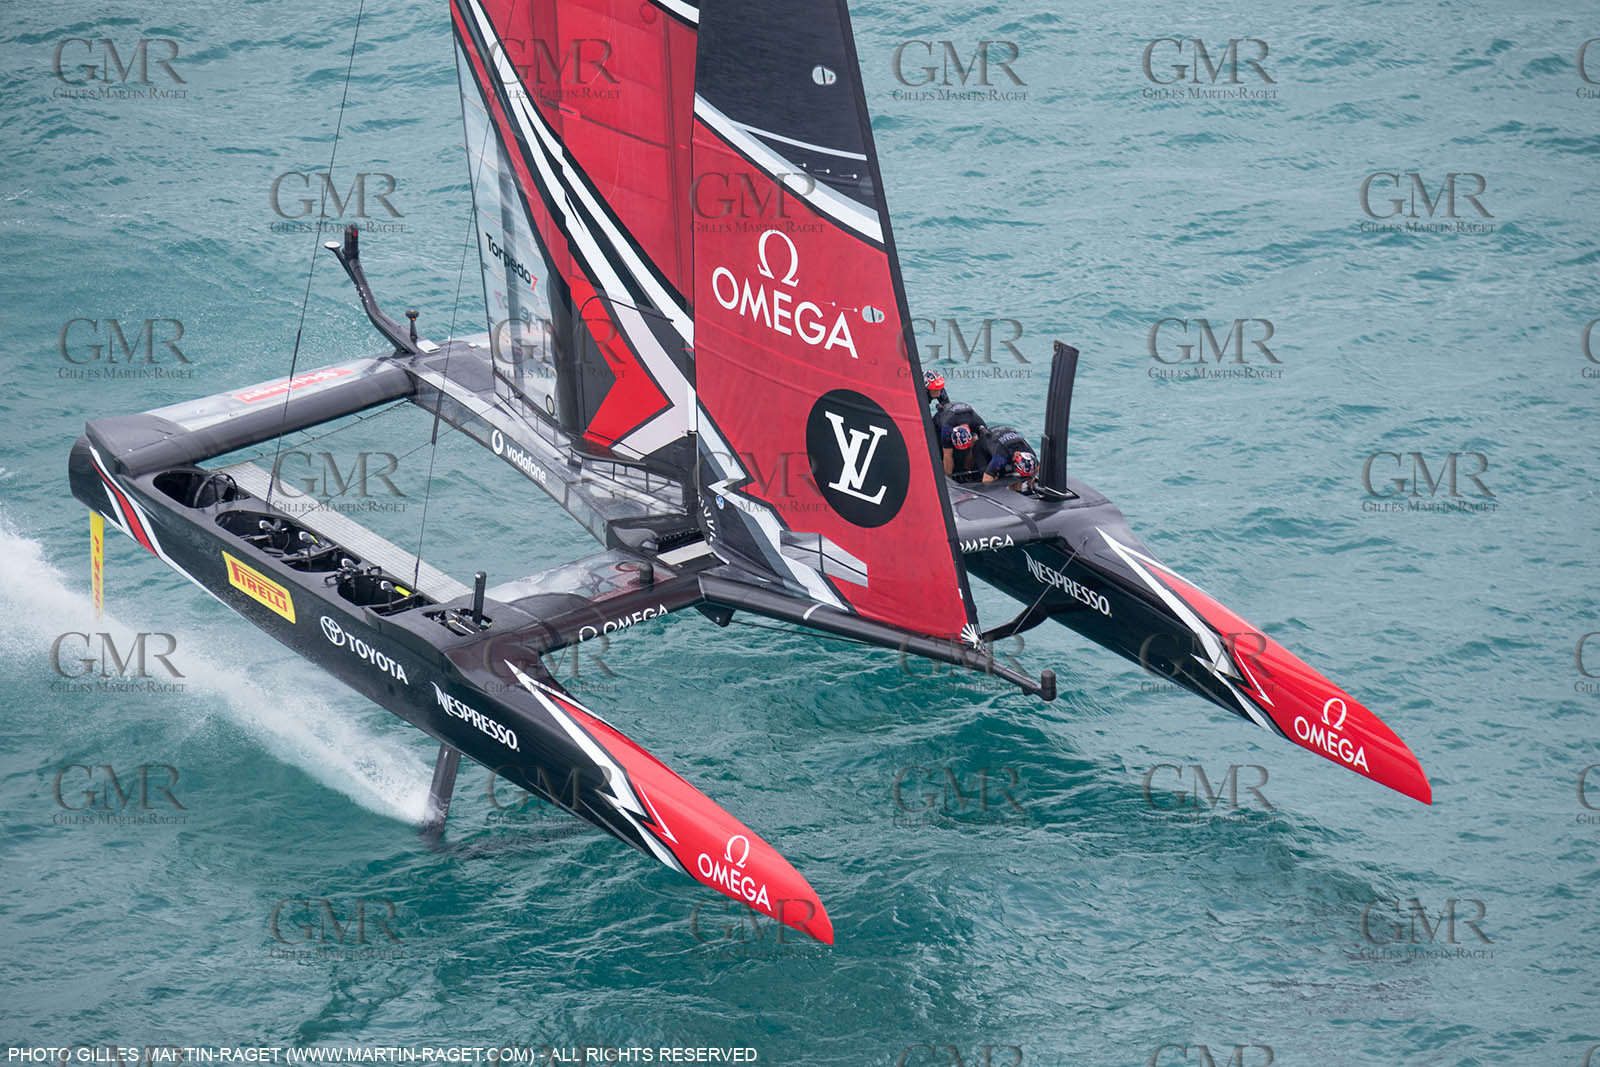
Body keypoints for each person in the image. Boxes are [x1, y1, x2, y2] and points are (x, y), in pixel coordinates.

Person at [981, 425, 1039, 491]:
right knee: (993, 474)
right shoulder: (1001, 457)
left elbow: (1037, 467)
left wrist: (1031, 480)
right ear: (1015, 463)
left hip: (1005, 433)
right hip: (985, 443)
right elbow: (986, 480)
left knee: (1018, 479)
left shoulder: (1028, 451)